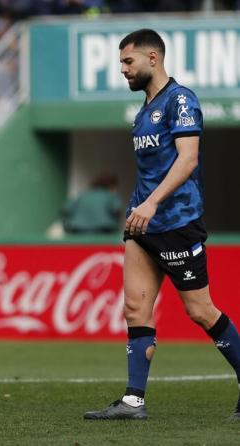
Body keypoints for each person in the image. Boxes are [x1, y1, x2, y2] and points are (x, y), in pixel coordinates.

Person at [84, 29, 240, 421]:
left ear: (152, 58)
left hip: (177, 222)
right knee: (135, 308)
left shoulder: (181, 100)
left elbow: (187, 161)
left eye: (128, 61)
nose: (123, 70)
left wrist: (152, 204)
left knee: (200, 311)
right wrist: (141, 206)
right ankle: (134, 401)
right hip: (143, 223)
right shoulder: (144, 109)